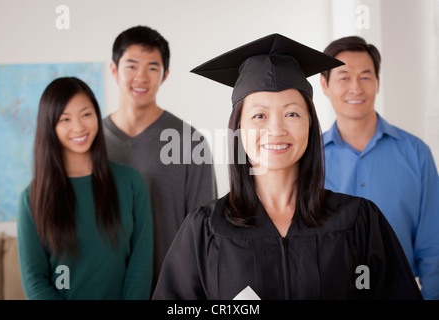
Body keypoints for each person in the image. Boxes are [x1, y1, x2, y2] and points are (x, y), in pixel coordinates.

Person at [152, 34, 423, 300]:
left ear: (310, 124)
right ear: (239, 129)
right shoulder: (206, 229)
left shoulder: (359, 220)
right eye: (259, 115)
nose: (276, 129)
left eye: (292, 114)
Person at [319, 36, 439, 300]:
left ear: (378, 83)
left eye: (365, 77)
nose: (355, 88)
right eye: (344, 77)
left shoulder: (416, 154)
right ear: (325, 84)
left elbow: (434, 245)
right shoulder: (309, 160)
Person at [17, 77, 153, 299]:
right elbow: (34, 279)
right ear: (50, 127)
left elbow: (141, 263)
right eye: (65, 119)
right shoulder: (31, 198)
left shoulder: (131, 182)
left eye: (86, 114)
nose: (79, 127)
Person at [103, 25, 218, 289]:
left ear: (165, 75)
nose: (141, 76)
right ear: (114, 70)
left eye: (152, 68)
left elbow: (204, 229)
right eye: (131, 66)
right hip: (105, 286)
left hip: (171, 286)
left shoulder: (190, 142)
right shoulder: (92, 142)